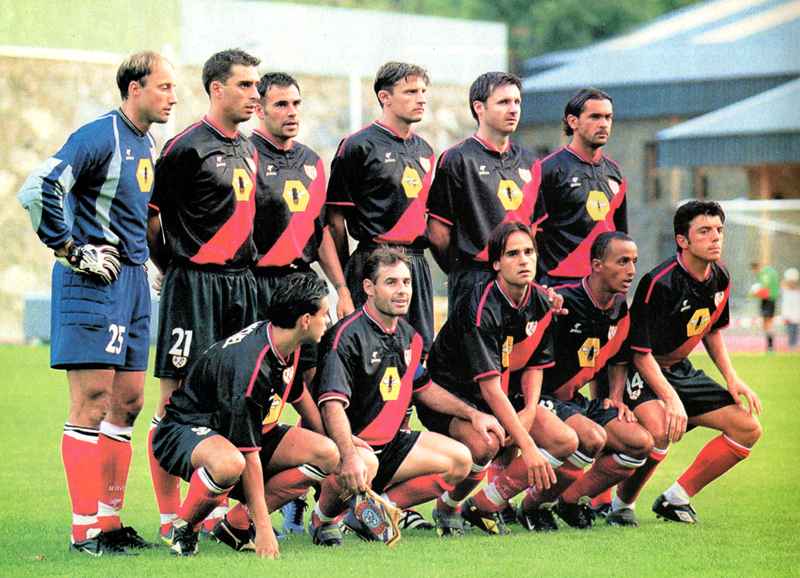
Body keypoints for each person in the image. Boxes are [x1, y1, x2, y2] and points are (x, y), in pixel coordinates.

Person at [17, 51, 177, 555]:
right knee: (90, 403)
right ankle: (83, 529)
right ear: (134, 88)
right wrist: (70, 248)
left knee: (127, 402)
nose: (173, 96)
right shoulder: (98, 135)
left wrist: (150, 264)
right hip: (92, 284)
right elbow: (37, 186)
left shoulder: (148, 141)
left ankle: (109, 523)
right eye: (164, 87)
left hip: (131, 284)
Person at [308, 246, 503, 546]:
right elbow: (331, 405)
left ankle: (372, 512)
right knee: (363, 464)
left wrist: (473, 414)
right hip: (350, 447)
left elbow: (423, 388)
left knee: (461, 460)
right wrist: (347, 456)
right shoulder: (346, 337)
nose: (402, 291)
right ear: (368, 288)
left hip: (392, 446)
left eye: (406, 282)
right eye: (391, 282)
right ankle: (322, 521)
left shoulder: (409, 335)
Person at [146, 48, 262, 543]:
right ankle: (170, 513)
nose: (254, 94)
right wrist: (173, 270)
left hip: (242, 286)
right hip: (193, 287)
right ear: (217, 89)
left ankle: (209, 505)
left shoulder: (250, 148)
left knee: (227, 399)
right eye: (245, 85)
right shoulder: (184, 147)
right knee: (175, 400)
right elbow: (153, 219)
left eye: (257, 86)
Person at [152, 273, 330, 557]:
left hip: (233, 431)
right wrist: (263, 529)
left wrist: (345, 448)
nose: (328, 321)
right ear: (305, 321)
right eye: (325, 314)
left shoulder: (288, 342)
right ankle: (185, 526)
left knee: (328, 454)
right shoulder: (250, 366)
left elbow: (297, 394)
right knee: (229, 463)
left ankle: (235, 524)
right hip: (184, 429)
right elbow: (248, 453)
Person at [419, 222, 577, 536]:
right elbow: (489, 388)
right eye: (513, 254)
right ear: (496, 264)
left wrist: (530, 409)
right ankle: (447, 507)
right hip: (453, 398)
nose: (524, 260)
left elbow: (534, 364)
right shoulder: (480, 306)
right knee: (485, 444)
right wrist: (527, 444)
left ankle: (484, 504)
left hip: (499, 395)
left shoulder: (541, 300)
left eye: (529, 252)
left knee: (566, 441)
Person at [249, 71, 354, 535]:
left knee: (309, 383)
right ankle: (239, 499)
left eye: (296, 104)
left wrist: (341, 287)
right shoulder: (244, 155)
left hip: (304, 284)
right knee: (257, 390)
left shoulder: (313, 160)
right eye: (280, 105)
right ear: (260, 109)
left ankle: (310, 485)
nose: (291, 113)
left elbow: (322, 233)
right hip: (256, 285)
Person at [613, 200, 762, 523]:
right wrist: (670, 398)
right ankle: (620, 505)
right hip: (645, 370)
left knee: (748, 428)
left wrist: (732, 378)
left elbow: (712, 331)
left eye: (719, 230)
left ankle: (676, 498)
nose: (715, 238)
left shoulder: (720, 275)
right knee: (660, 430)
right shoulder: (659, 282)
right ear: (683, 240)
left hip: (681, 371)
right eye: (705, 231)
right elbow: (639, 352)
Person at [501, 232, 652, 531]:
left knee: (640, 443)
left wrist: (617, 396)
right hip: (535, 396)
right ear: (597, 265)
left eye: (634, 262)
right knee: (592, 438)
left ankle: (569, 501)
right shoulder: (563, 299)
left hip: (571, 401)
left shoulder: (620, 307)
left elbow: (620, 358)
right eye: (622, 262)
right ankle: (534, 506)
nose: (631, 271)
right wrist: (543, 300)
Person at [326, 61, 435, 355]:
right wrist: (347, 281)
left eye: (423, 91)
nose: (421, 98)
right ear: (385, 97)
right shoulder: (357, 146)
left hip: (416, 264)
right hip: (373, 260)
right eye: (410, 91)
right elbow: (334, 220)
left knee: (418, 355)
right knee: (369, 355)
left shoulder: (425, 149)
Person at [427, 71, 546, 312]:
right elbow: (437, 233)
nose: (513, 109)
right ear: (479, 107)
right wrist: (460, 272)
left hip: (521, 282)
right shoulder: (458, 159)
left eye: (517, 102)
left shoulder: (530, 162)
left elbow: (534, 229)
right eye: (503, 102)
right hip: (474, 279)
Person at [537, 88, 627, 287]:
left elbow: (621, 235)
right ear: (573, 121)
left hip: (603, 286)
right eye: (595, 117)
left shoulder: (615, 173)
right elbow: (530, 233)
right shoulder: (549, 170)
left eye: (608, 117)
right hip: (560, 285)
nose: (603, 124)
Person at [749, 261, 781, 352]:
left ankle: (770, 346)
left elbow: (764, 290)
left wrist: (754, 293)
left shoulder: (764, 273)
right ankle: (770, 346)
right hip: (772, 299)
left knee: (767, 323)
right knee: (768, 322)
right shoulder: (771, 271)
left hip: (768, 300)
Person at [781, 267, 800, 349]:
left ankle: (793, 343)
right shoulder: (785, 290)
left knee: (794, 328)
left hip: (796, 311)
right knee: (790, 329)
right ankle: (791, 343)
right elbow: (782, 284)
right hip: (788, 312)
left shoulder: (797, 291)